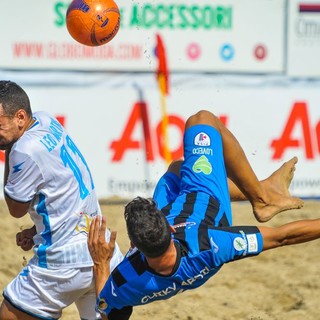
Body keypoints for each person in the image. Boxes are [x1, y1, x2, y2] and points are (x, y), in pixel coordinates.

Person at [87, 109, 318, 320]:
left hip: (174, 230)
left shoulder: (125, 282)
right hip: (206, 203)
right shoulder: (214, 244)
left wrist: (101, 263)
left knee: (176, 169)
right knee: (201, 120)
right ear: (168, 227)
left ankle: (264, 189)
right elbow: (282, 236)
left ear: (134, 245)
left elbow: (106, 312)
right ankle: (262, 198)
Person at [0, 80, 124, 320]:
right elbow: (63, 186)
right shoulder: (46, 120)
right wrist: (38, 228)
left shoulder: (22, 150)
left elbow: (15, 208)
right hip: (101, 247)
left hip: (62, 265)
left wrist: (7, 150)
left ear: (21, 117)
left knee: (8, 315)